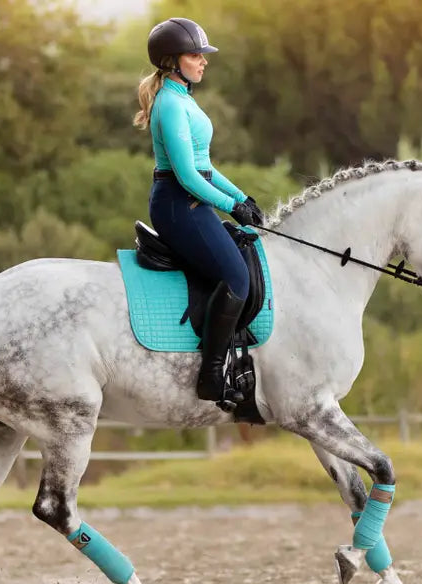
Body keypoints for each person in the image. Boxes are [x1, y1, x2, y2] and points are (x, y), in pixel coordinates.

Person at [134, 17, 266, 406]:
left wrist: (242, 196)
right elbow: (188, 176)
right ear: (171, 61)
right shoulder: (170, 104)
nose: (204, 61)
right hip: (178, 205)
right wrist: (230, 206)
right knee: (237, 278)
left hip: (191, 201)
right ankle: (210, 375)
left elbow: (204, 165)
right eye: (195, 55)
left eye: (202, 55)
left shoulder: (184, 98)